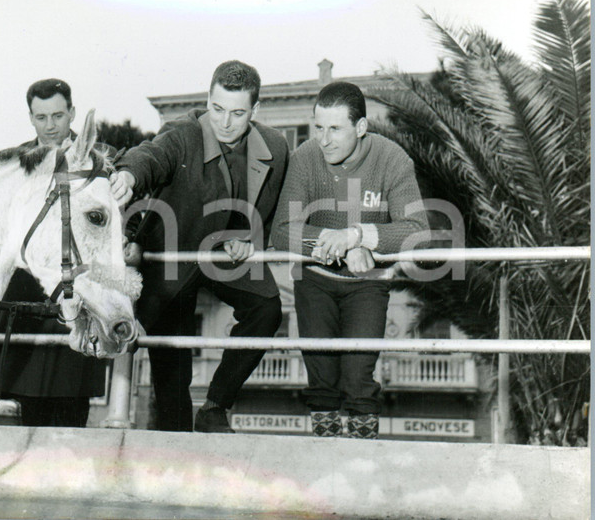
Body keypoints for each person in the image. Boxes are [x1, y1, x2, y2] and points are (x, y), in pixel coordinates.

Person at [110, 60, 289, 433]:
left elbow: (273, 208)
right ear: (208, 99)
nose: (225, 122)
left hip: (226, 254)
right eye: (217, 108)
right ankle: (176, 440)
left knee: (267, 308)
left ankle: (215, 407)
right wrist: (129, 173)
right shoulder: (182, 134)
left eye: (238, 113)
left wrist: (253, 241)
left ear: (255, 111)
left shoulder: (274, 146)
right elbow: (151, 155)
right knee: (172, 363)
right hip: (174, 257)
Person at [272, 81, 429, 439]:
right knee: (322, 382)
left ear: (360, 128)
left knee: (359, 379)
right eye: (318, 128)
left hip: (368, 284)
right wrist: (340, 245)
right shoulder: (306, 157)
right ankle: (325, 474)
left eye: (335, 129)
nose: (324, 140)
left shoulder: (392, 159)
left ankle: (362, 474)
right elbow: (281, 230)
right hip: (313, 281)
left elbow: (418, 229)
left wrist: (360, 237)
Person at [0, 78, 107, 427]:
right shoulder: (14, 164)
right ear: (30, 118)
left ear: (71, 112)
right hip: (27, 299)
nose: (51, 126)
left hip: (79, 296)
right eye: (41, 117)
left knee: (72, 415)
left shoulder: (96, 159)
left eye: (58, 115)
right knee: (24, 422)